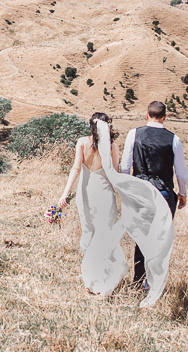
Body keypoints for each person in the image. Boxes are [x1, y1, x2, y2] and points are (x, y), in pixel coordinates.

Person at [56, 112, 175, 305]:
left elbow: (75, 169)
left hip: (85, 193)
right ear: (107, 127)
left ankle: (92, 277)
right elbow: (118, 173)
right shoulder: (112, 146)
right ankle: (101, 277)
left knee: (89, 232)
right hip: (104, 195)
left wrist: (64, 195)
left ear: (91, 125)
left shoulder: (81, 143)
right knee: (105, 234)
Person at [120, 100, 188, 288]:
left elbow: (125, 166)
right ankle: (152, 283)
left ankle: (139, 281)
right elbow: (181, 172)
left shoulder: (134, 134)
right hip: (164, 194)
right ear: (164, 117)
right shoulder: (173, 139)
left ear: (146, 115)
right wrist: (182, 193)